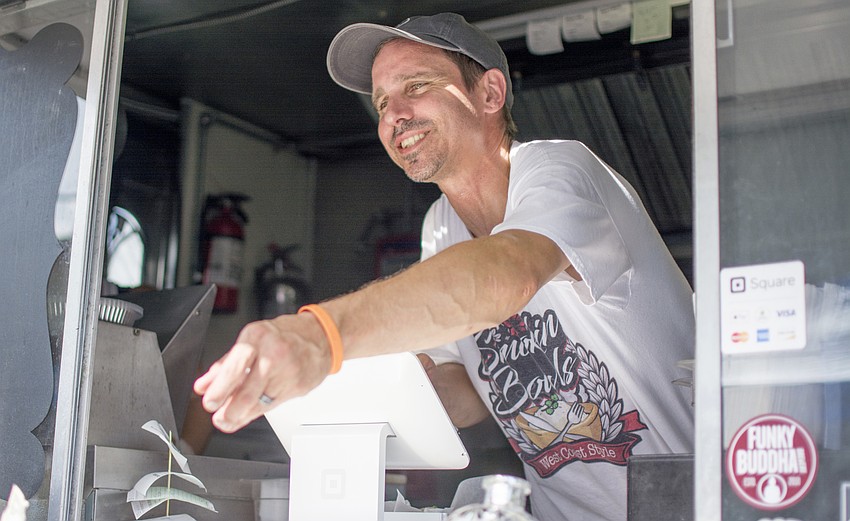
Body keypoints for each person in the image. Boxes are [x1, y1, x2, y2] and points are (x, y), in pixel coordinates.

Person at [194, 12, 694, 521]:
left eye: (417, 86)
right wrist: (338, 397)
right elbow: (466, 393)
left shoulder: (559, 169)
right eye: (382, 102)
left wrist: (319, 338)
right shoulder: (441, 224)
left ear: (490, 94)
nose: (394, 115)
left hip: (692, 506)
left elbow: (507, 273)